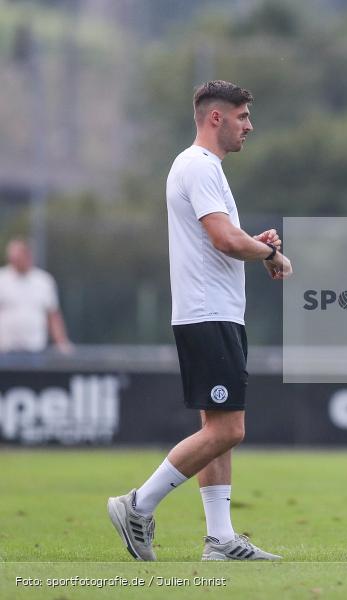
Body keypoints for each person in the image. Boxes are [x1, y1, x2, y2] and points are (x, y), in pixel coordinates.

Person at [107, 80, 293, 562]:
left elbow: (228, 237)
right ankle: (138, 504)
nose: (249, 126)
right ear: (217, 117)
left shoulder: (203, 168)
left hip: (214, 312)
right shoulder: (197, 165)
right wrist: (270, 253)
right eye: (243, 116)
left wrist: (253, 242)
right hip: (209, 314)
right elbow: (224, 242)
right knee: (229, 430)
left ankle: (221, 539)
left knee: (218, 427)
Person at [0, 238, 73, 354]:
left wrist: (62, 342)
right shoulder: (2, 279)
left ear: (28, 256)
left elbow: (52, 315)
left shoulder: (44, 281)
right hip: (5, 350)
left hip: (34, 349)